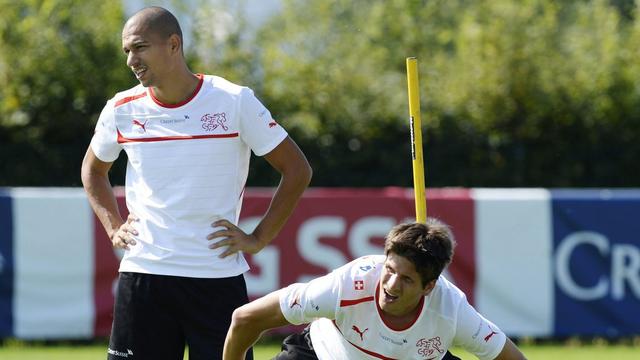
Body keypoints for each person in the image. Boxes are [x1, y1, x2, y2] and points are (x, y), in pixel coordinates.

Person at [81, 6, 312, 360]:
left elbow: (297, 170)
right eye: (127, 50)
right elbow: (93, 171)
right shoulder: (121, 108)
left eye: (140, 47)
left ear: (173, 44)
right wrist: (114, 227)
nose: (131, 59)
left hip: (216, 278)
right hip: (144, 274)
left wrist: (259, 237)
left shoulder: (234, 101)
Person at [223, 219, 527, 360]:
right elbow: (245, 319)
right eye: (390, 270)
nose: (391, 286)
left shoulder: (452, 311)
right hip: (324, 355)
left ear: (429, 287)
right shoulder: (345, 286)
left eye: (407, 280)